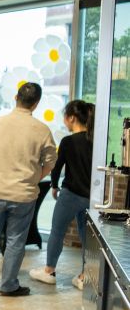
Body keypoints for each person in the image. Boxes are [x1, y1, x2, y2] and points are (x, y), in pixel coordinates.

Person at [0, 82, 57, 296]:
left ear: (15, 97)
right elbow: (50, 162)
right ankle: (9, 285)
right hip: (23, 194)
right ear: (36, 103)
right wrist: (34, 178)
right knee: (15, 240)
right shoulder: (42, 130)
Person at [30, 100, 94, 290]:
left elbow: (57, 167)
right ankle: (85, 275)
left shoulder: (68, 141)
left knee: (57, 231)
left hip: (71, 194)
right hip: (90, 196)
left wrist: (54, 186)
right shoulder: (95, 140)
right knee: (86, 237)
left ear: (72, 118)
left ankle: (49, 271)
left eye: (65, 117)